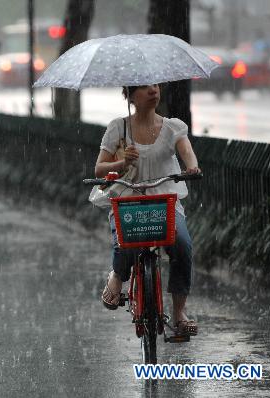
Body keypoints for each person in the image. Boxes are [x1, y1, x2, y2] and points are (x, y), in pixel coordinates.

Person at [95, 84, 201, 336]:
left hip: (165, 201)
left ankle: (179, 312)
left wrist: (192, 167)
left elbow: (187, 152)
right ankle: (118, 275)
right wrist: (123, 162)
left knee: (182, 245)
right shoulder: (118, 128)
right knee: (126, 244)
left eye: (155, 85)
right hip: (127, 199)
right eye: (144, 87)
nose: (153, 90)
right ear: (130, 96)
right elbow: (99, 169)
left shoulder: (173, 126)